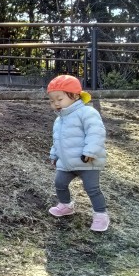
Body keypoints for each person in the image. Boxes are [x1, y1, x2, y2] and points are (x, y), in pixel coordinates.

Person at [47, 75, 109, 232]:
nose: (55, 103)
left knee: (92, 189)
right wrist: (54, 155)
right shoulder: (59, 120)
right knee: (60, 183)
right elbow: (57, 140)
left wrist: (90, 151)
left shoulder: (87, 112)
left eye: (59, 99)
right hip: (66, 162)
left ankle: (101, 214)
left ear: (75, 96)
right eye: (52, 101)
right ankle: (66, 205)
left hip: (86, 161)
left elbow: (96, 132)